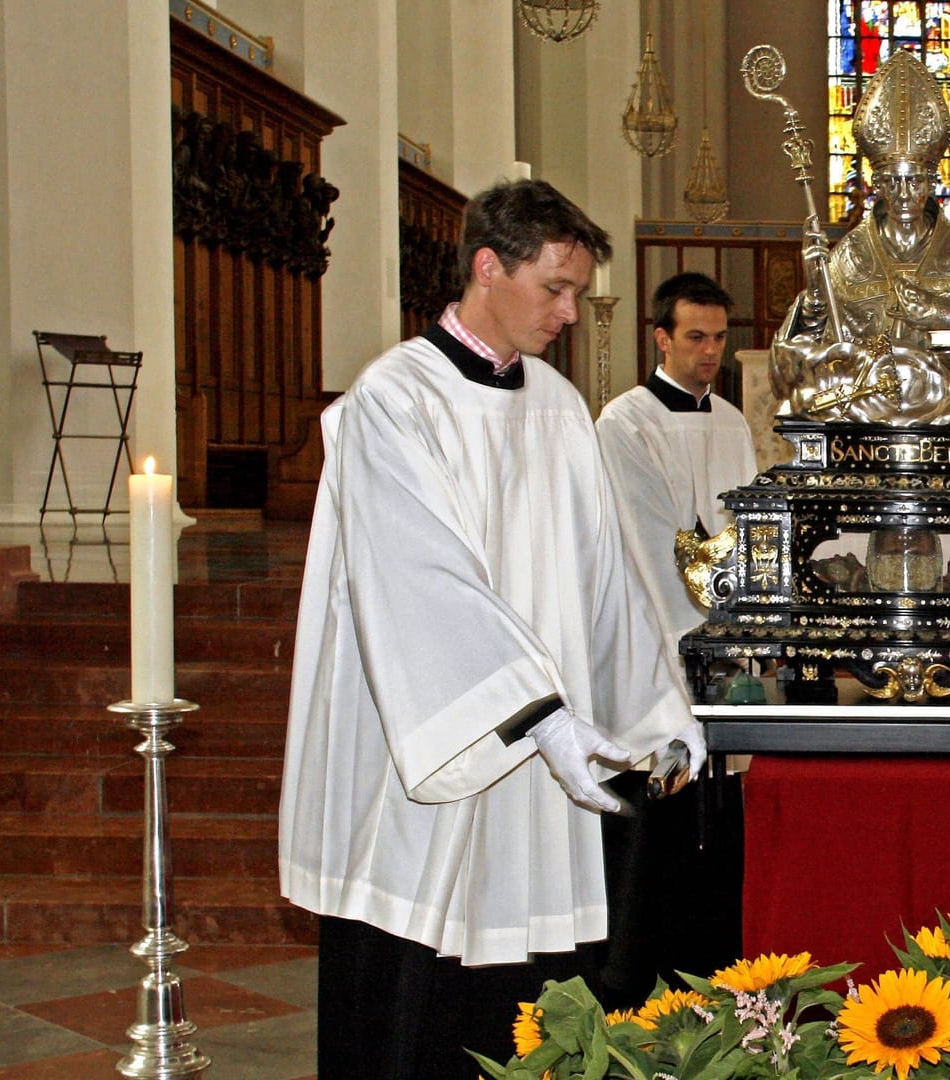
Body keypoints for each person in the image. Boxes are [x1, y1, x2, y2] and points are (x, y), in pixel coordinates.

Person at [278, 179, 705, 1080]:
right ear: (486, 265)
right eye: (554, 287)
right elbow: (421, 581)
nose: (569, 311)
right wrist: (538, 716)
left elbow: (607, 580)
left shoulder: (555, 405)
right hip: (430, 748)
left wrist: (658, 713)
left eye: (577, 293)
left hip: (539, 767)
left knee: (525, 992)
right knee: (416, 994)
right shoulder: (393, 401)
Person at [770, 49, 950, 427]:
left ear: (931, 183)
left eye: (914, 182)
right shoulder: (853, 253)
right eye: (893, 182)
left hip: (941, 386)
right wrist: (815, 290)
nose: (905, 194)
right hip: (866, 387)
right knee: (819, 380)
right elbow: (815, 338)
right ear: (877, 185)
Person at [596, 272, 757, 643]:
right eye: (696, 337)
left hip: (732, 619)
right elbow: (643, 535)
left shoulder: (733, 421)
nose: (711, 351)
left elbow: (748, 522)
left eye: (719, 337)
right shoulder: (626, 422)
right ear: (663, 339)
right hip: (657, 622)